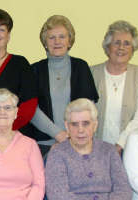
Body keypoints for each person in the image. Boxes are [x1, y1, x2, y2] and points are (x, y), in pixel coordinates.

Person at [45, 98, 132, 200]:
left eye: (86, 123)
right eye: (74, 124)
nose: (80, 130)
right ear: (67, 126)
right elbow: (58, 195)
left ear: (95, 125)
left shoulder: (109, 151)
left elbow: (123, 188)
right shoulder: (57, 153)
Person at [26, 15, 98, 155]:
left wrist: (72, 135)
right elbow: (31, 109)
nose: (57, 41)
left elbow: (88, 107)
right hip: (43, 145)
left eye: (62, 37)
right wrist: (58, 134)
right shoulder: (34, 70)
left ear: (69, 41)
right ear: (45, 42)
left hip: (78, 142)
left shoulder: (81, 67)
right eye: (51, 37)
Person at [90, 20, 138, 153]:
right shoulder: (91, 73)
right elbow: (85, 112)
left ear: (133, 48)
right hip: (95, 148)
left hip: (130, 148)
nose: (121, 47)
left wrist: (121, 144)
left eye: (127, 43)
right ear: (108, 46)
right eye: (116, 42)